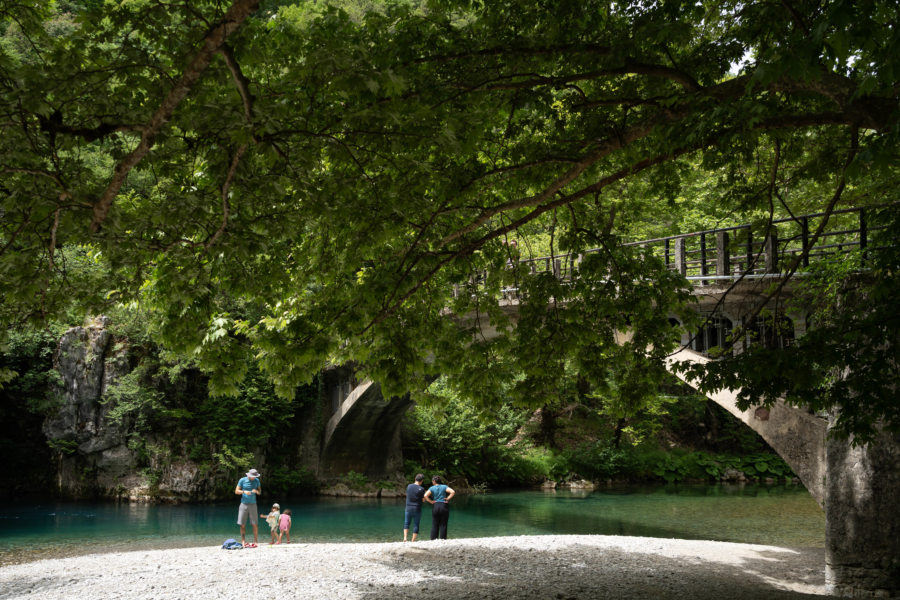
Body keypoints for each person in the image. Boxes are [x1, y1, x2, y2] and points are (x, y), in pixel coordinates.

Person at [235, 468, 262, 546]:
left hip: (253, 504)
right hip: (243, 504)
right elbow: (236, 491)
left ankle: (256, 541)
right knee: (242, 524)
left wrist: (256, 491)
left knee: (255, 524)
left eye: (255, 476)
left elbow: (260, 492)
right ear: (249, 475)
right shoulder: (242, 480)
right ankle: (243, 541)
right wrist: (244, 492)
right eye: (253, 476)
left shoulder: (257, 481)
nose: (254, 478)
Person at [424, 475, 455, 540]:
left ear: (434, 481)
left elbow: (425, 495)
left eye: (432, 481)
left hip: (436, 505)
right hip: (443, 505)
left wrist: (431, 501)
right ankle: (443, 539)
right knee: (443, 524)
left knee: (435, 523)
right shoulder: (444, 487)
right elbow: (452, 492)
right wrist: (448, 499)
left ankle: (433, 539)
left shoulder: (432, 488)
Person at [403, 474, 426, 542]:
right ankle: (413, 540)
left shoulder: (409, 486)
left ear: (415, 478)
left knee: (406, 523)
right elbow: (423, 500)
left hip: (408, 508)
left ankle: (405, 538)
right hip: (417, 508)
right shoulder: (421, 489)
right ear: (422, 481)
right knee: (416, 524)